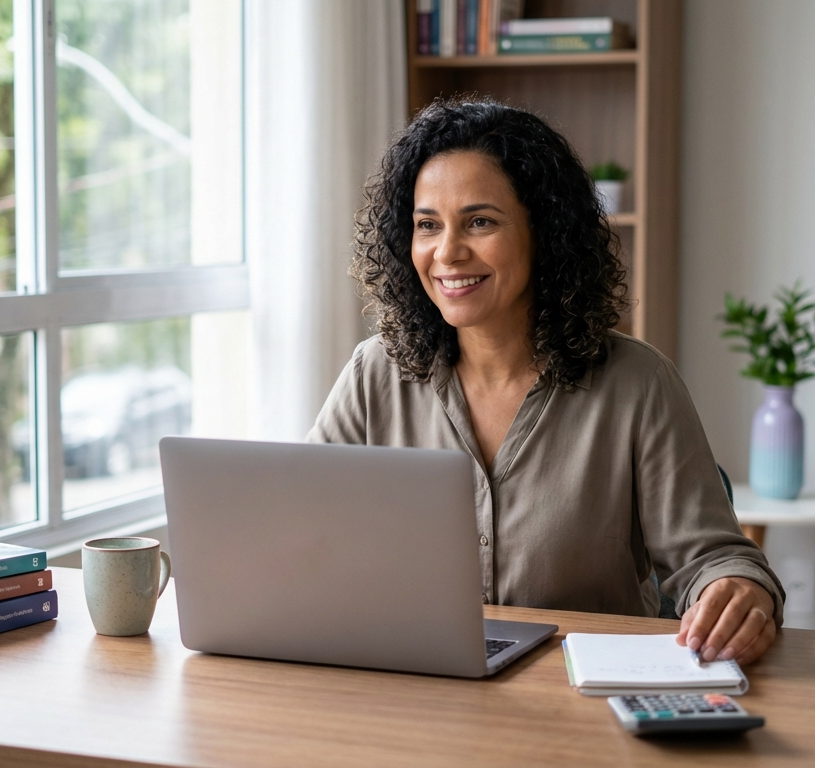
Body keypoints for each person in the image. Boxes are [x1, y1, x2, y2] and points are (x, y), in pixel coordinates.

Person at [308, 98, 783, 665]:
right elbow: (304, 533)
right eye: (427, 226)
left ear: (545, 231)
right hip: (417, 690)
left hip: (580, 702)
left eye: (480, 222)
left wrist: (736, 593)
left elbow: (715, 559)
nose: (448, 252)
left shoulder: (638, 383)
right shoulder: (373, 375)